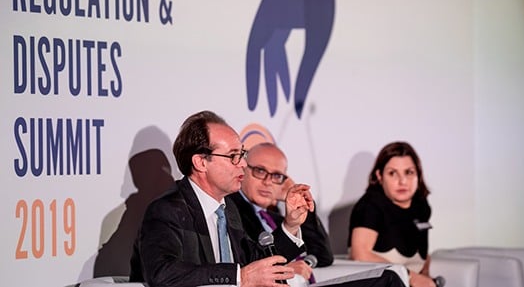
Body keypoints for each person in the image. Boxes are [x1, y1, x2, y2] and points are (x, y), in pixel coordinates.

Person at [130, 110, 406, 287]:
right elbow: (161, 272)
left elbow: (259, 260)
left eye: (242, 155)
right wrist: (241, 277)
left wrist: (291, 225)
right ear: (201, 162)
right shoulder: (167, 210)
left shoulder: (227, 209)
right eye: (234, 156)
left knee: (388, 280)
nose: (242, 164)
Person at [228, 142, 333, 282]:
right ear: (243, 169)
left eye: (276, 176)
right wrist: (283, 269)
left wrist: (301, 203)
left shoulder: (276, 219)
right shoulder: (229, 210)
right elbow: (245, 260)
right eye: (260, 171)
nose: (268, 182)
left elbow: (322, 256)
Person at [348, 142, 436, 287]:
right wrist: (410, 276)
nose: (402, 181)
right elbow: (360, 254)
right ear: (379, 175)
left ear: (418, 174)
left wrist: (425, 276)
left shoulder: (421, 204)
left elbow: (422, 253)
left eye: (409, 172)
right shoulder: (369, 205)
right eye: (392, 173)